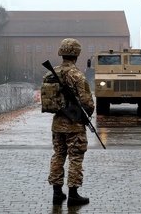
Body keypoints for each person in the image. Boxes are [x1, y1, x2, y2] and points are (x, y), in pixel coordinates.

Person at [46, 38, 95, 206]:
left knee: (58, 155)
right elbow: (87, 101)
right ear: (77, 54)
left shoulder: (53, 73)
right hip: (74, 124)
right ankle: (73, 194)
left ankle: (57, 193)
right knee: (75, 156)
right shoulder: (77, 74)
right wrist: (87, 113)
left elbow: (48, 99)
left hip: (57, 123)